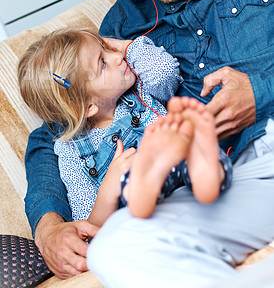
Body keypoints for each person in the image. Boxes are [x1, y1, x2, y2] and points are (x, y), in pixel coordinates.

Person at [23, 0, 274, 281]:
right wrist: (48, 225)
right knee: (115, 249)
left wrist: (262, 91)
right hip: (224, 180)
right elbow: (56, 130)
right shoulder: (125, 23)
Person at [18, 26, 231, 228]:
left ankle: (204, 175)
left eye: (106, 48)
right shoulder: (71, 152)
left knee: (199, 150)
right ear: (88, 106)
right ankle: (147, 186)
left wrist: (127, 46)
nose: (118, 57)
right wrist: (110, 186)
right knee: (133, 181)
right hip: (141, 211)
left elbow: (165, 71)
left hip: (182, 175)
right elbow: (89, 226)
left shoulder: (140, 88)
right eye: (103, 63)